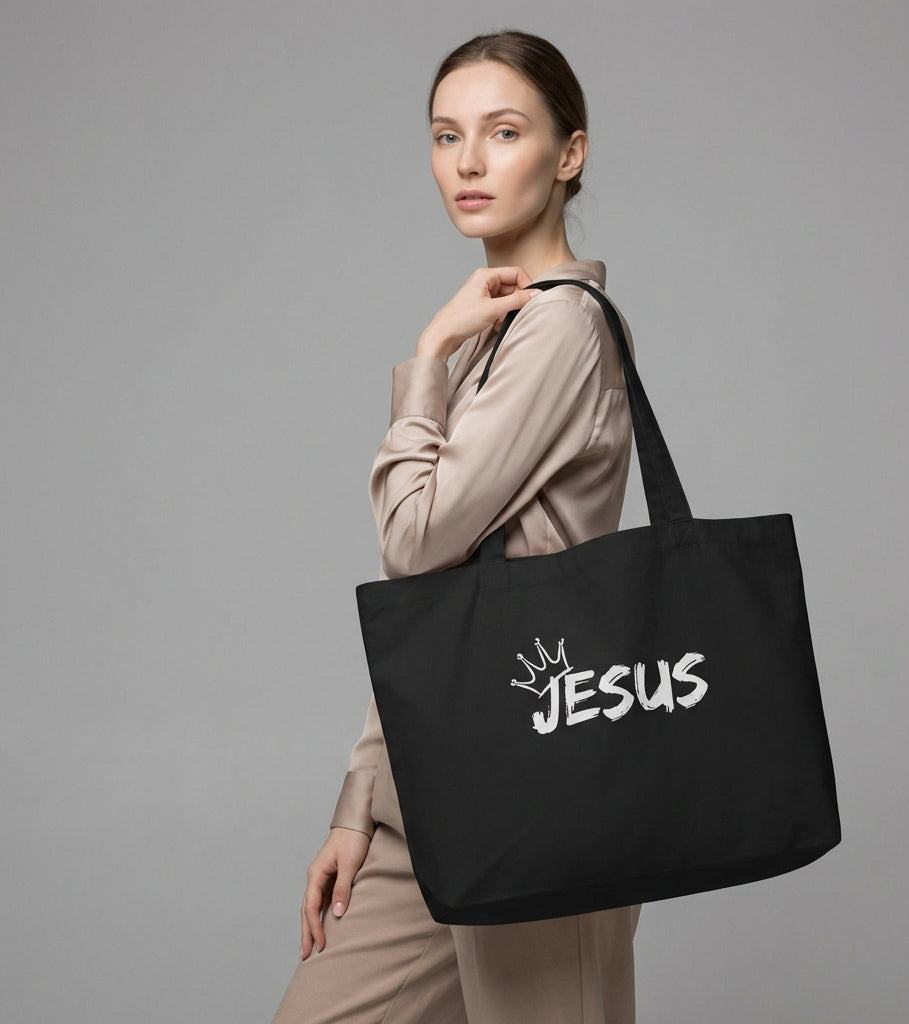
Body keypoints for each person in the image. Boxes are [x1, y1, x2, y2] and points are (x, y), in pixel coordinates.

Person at [271, 30, 641, 1024]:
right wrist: (363, 802)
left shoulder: (561, 326)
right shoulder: (499, 334)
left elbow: (416, 538)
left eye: (503, 131)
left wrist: (425, 354)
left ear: (569, 154)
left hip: (535, 784)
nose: (468, 162)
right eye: (445, 135)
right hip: (436, 784)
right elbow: (437, 606)